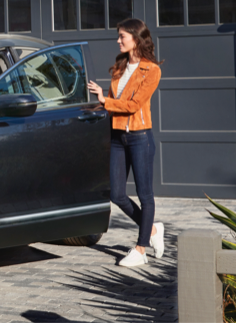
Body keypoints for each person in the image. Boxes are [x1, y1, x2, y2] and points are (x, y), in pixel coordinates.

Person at [86, 18, 165, 267]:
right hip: (118, 136)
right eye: (118, 36)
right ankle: (152, 230)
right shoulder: (120, 67)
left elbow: (132, 105)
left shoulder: (151, 70)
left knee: (145, 195)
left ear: (136, 38)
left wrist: (105, 100)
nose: (118, 40)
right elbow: (112, 100)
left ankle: (140, 249)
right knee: (117, 194)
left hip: (140, 137)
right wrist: (97, 103)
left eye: (122, 36)